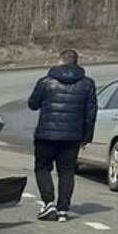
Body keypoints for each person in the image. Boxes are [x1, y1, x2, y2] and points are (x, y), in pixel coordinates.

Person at [27, 49, 97, 222]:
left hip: (46, 135)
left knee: (42, 167)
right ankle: (63, 209)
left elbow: (33, 104)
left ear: (60, 61)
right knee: (66, 172)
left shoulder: (45, 82)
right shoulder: (88, 84)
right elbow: (91, 114)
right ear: (76, 62)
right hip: (72, 137)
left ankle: (48, 202)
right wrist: (86, 137)